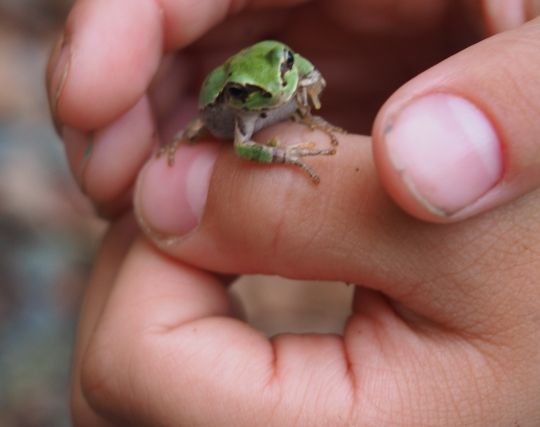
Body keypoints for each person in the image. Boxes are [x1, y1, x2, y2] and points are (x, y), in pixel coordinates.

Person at [47, 1, 540, 425]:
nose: (278, 86)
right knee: (200, 135)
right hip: (220, 115)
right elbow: (242, 150)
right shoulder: (242, 104)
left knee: (286, 83)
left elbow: (289, 61)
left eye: (286, 71)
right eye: (263, 86)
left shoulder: (285, 65)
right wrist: (285, 156)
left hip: (267, 66)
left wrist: (300, 74)